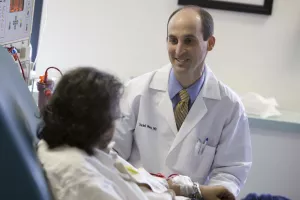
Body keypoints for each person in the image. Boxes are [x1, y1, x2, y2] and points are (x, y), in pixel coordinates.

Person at [113, 5, 252, 198]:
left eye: (189, 41)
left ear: (210, 43)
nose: (178, 50)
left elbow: (230, 173)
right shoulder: (136, 91)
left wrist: (192, 191)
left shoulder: (229, 106)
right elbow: (112, 154)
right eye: (173, 40)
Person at [36, 67, 182, 200]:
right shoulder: (80, 178)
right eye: (113, 115)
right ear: (97, 122)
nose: (116, 118)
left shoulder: (77, 148)